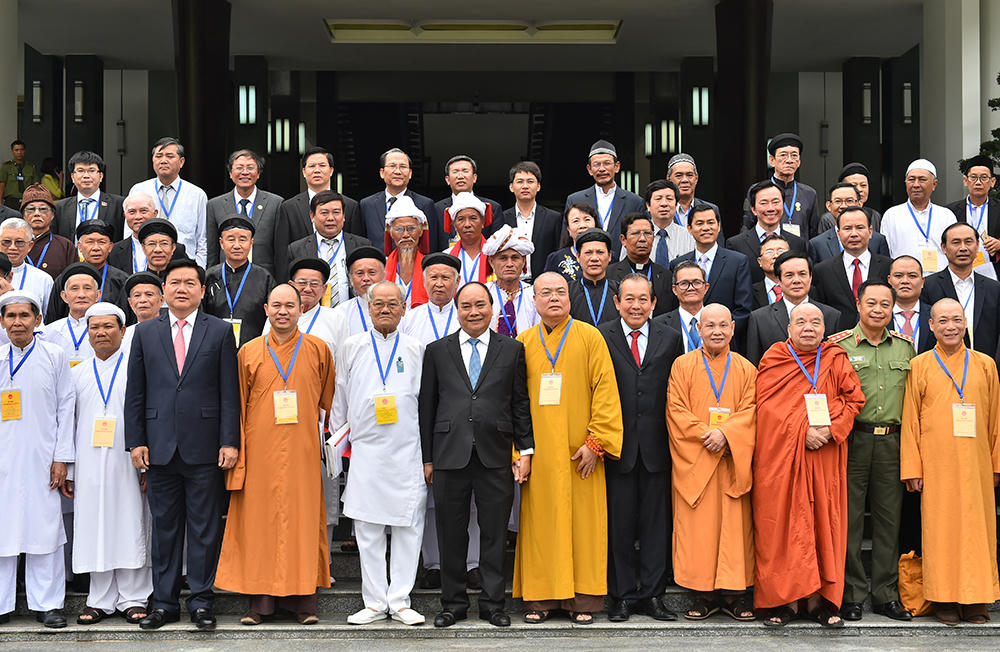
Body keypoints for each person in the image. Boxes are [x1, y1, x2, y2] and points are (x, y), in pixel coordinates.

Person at [124, 259, 240, 631]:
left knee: (204, 529)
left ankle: (202, 602)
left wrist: (229, 441)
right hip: (159, 447)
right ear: (164, 290)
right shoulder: (145, 332)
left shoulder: (220, 331)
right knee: (165, 529)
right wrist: (136, 441)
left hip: (205, 447)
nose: (182, 288)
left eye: (190, 283)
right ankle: (164, 603)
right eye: (175, 282)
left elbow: (229, 391)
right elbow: (136, 392)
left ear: (202, 291)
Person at [216, 283, 336, 626]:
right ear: (266, 310)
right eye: (277, 305)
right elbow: (237, 404)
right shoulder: (249, 351)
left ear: (301, 310)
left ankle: (303, 603)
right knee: (259, 525)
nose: (283, 312)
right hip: (260, 451)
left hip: (302, 451)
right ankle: (260, 604)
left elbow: (327, 400)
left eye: (290, 306)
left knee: (302, 522)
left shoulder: (318, 349)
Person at [419, 281, 533, 628]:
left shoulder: (511, 349)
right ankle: (453, 604)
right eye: (466, 306)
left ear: (491, 308)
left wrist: (525, 449)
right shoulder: (437, 351)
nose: (474, 312)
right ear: (457, 311)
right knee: (451, 533)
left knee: (494, 533)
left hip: (495, 453)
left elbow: (520, 403)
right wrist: (427, 458)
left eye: (480, 305)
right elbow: (427, 407)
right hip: (448, 454)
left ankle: (493, 604)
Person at [514, 272, 623, 625]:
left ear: (570, 297)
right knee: (541, 526)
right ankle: (541, 598)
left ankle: (582, 600)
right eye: (545, 292)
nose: (554, 298)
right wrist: (520, 452)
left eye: (560, 291)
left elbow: (606, 391)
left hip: (581, 454)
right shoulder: (522, 342)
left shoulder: (590, 337)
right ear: (534, 300)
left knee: (584, 526)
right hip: (540, 455)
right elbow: (513, 402)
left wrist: (596, 442)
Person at [753, 302, 866, 627]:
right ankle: (784, 602)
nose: (808, 327)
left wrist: (831, 430)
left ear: (824, 328)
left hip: (824, 457)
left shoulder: (835, 357)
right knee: (785, 526)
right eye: (800, 322)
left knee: (821, 523)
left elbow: (854, 399)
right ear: (789, 328)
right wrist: (802, 430)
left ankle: (820, 603)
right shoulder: (775, 358)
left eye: (815, 322)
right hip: (783, 460)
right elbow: (766, 408)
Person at [332, 281, 427, 626]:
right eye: (379, 304)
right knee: (367, 529)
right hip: (366, 450)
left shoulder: (417, 348)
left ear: (404, 309)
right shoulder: (352, 346)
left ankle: (400, 600)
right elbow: (340, 395)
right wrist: (339, 443)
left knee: (408, 528)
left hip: (407, 449)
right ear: (369, 309)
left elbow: (426, 400)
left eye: (392, 304)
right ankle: (373, 602)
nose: (385, 309)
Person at [901, 298, 1000, 625]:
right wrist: (913, 468)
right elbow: (910, 420)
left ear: (965, 323)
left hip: (976, 464)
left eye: (956, 320)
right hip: (936, 465)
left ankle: (975, 598)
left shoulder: (985, 364)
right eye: (942, 321)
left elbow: (996, 419)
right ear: (931, 326)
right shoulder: (919, 365)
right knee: (940, 531)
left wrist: (996, 464)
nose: (950, 327)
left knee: (977, 531)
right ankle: (942, 597)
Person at [826, 281, 914, 622]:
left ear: (893, 309)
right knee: (849, 520)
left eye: (885, 304)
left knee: (889, 521)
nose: (878, 310)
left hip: (892, 441)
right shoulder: (838, 346)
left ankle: (885, 595)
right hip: (852, 441)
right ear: (858, 305)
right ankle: (851, 594)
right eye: (872, 303)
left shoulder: (905, 347)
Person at [599, 274, 684, 622]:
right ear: (617, 302)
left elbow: (676, 389)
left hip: (657, 446)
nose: (636, 306)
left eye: (643, 299)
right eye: (629, 299)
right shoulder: (601, 335)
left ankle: (652, 595)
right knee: (618, 525)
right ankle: (620, 595)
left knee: (655, 526)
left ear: (654, 303)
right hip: (616, 447)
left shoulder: (671, 337)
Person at [666, 303, 757, 622]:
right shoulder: (682, 365)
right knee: (699, 531)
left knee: (735, 530)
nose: (717, 331)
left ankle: (735, 595)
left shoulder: (746, 369)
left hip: (732, 461)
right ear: (699, 330)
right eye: (710, 326)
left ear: (733, 328)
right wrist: (709, 436)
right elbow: (676, 411)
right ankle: (702, 595)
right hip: (697, 460)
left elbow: (752, 411)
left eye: (722, 325)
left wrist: (726, 435)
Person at [65, 302, 152, 626]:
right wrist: (70, 469)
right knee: (94, 525)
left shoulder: (136, 369)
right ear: (88, 333)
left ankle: (133, 597)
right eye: (95, 328)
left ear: (123, 331)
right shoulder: (76, 373)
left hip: (128, 460)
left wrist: (146, 465)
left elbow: (147, 416)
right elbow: (68, 423)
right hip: (88, 462)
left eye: (108, 327)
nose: (101, 333)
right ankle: (99, 599)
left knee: (131, 521)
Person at [397, 253, 472, 589]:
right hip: (423, 411)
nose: (439, 284)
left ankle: (472, 563)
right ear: (423, 281)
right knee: (428, 492)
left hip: (464, 410)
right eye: (433, 278)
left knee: (470, 493)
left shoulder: (468, 314)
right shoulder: (410, 318)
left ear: (457, 282)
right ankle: (433, 563)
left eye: (446, 278)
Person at [0, 291, 75, 628]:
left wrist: (62, 459)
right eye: (11, 316)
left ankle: (48, 605)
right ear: (2, 322)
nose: (18, 322)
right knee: (2, 530)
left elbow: (66, 406)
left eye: (24, 316)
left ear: (38, 319)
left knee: (44, 530)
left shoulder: (54, 355)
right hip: (3, 459)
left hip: (43, 458)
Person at [267, 257, 349, 555]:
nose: (308, 288)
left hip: (322, 415)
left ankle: (322, 559)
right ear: (291, 285)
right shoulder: (279, 314)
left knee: (323, 488)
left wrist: (336, 420)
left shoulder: (335, 318)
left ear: (325, 289)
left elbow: (342, 370)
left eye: (315, 284)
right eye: (302, 282)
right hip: (281, 416)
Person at [670, 206, 753, 341]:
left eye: (710, 222)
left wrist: (720, 331)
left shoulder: (737, 262)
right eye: (699, 223)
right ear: (689, 228)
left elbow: (743, 309)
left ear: (718, 226)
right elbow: (674, 305)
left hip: (724, 340)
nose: (706, 228)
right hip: (686, 337)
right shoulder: (677, 264)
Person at [921, 222, 1000, 362]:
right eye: (956, 242)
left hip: (985, 366)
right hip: (942, 366)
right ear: (944, 247)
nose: (963, 248)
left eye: (968, 242)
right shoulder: (928, 286)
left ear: (977, 246)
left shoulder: (994, 288)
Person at [746, 252, 841, 365]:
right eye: (789, 275)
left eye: (802, 274)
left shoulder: (831, 316)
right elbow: (754, 364)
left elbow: (837, 362)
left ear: (810, 277)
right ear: (779, 280)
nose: (796, 280)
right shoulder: (759, 319)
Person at [126, 137, 208, 266]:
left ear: (181, 162)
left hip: (184, 266)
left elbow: (202, 239)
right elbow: (129, 231)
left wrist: (199, 270)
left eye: (169, 156)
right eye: (158, 156)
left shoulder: (197, 195)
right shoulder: (139, 190)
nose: (163, 160)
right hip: (145, 265)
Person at [811, 206, 893, 331]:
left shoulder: (888, 267)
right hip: (838, 338)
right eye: (847, 228)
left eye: (860, 227)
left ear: (870, 231)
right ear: (838, 234)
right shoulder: (822, 270)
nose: (854, 234)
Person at [203, 216, 277, 347]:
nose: (237, 245)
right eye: (231, 239)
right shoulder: (209, 276)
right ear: (221, 243)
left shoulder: (264, 278)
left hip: (254, 348)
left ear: (251, 243)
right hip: (214, 347)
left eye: (242, 239)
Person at [286, 190, 371, 304]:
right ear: (312, 216)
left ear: (344, 216)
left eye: (336, 212)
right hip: (313, 312)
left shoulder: (362, 245)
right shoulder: (296, 249)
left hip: (353, 311)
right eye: (324, 213)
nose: (330, 218)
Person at [205, 149, 283, 273]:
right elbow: (212, 250)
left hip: (264, 276)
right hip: (226, 276)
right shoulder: (215, 205)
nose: (245, 172)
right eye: (239, 168)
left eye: (250, 168)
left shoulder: (275, 203)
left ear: (258, 173)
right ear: (230, 173)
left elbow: (280, 250)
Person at [564, 140, 644, 259]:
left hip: (622, 266)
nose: (602, 169)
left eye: (607, 163)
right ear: (589, 169)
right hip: (585, 264)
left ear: (617, 167)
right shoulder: (575, 199)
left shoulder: (634, 202)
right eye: (596, 164)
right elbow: (566, 239)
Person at [881, 159, 956, 276]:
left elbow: (954, 250)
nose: (916, 185)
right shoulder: (892, 215)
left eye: (922, 179)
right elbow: (885, 254)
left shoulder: (946, 215)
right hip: (904, 280)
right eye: (911, 179)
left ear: (934, 184)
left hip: (940, 280)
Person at [46, 219, 129, 324]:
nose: (96, 248)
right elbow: (53, 319)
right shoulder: (65, 279)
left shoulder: (122, 280)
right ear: (80, 246)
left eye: (102, 242)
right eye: (90, 242)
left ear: (110, 247)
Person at [740, 133, 820, 239]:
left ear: (799, 162)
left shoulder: (809, 193)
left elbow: (814, 233)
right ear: (772, 160)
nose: (789, 160)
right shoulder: (758, 190)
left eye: (794, 155)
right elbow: (747, 228)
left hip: (799, 248)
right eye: (783, 155)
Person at [726, 180, 807, 283]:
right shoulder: (736, 245)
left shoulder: (798, 243)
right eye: (764, 203)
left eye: (775, 202)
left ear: (783, 205)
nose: (770, 208)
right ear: (753, 209)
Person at [356, 148, 436, 251]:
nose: (398, 171)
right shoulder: (367, 204)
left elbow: (430, 245)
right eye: (392, 166)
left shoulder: (425, 204)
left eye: (403, 167)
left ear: (410, 173)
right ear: (382, 173)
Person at [500, 161, 562, 280]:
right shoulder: (502, 218)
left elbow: (558, 252)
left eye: (530, 181)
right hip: (510, 282)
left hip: (544, 282)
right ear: (511, 187)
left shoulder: (553, 218)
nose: (525, 186)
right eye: (520, 181)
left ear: (538, 186)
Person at [607, 212, 675, 316]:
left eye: (647, 233)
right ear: (623, 240)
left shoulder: (667, 276)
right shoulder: (609, 275)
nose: (642, 239)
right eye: (636, 233)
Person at [946, 155, 1000, 278]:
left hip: (994, 272)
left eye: (984, 178)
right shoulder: (950, 211)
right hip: (959, 272)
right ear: (965, 181)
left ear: (992, 182)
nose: (978, 182)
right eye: (973, 177)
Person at [433, 155, 503, 250]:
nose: (460, 176)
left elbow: (498, 245)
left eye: (465, 171)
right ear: (447, 180)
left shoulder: (492, 207)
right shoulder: (436, 209)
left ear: (474, 178)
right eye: (455, 172)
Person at [53, 151, 125, 242]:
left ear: (101, 176)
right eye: (80, 171)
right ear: (72, 177)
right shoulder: (59, 208)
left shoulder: (119, 204)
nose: (86, 176)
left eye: (91, 170)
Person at [809, 182, 890, 263]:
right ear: (829, 206)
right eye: (838, 201)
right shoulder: (817, 244)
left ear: (859, 204)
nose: (843, 206)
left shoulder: (878, 240)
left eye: (849, 200)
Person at [109, 193, 189, 275]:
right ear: (125, 216)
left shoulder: (176, 250)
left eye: (143, 211)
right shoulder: (114, 251)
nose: (138, 217)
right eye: (132, 212)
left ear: (155, 213)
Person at [484, 225, 539, 336]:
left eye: (515, 258)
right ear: (491, 262)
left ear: (523, 261)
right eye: (503, 258)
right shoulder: (483, 293)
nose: (509, 264)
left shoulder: (534, 294)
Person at [46, 262, 102, 364]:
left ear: (98, 295)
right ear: (64, 296)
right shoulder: (49, 332)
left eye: (87, 288)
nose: (81, 295)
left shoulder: (106, 331)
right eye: (74, 289)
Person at [383, 195, 430, 309]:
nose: (405, 235)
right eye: (399, 229)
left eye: (411, 228)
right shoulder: (382, 266)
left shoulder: (430, 266)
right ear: (391, 233)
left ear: (420, 231)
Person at [1, 217, 54, 317]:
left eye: (19, 242)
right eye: (6, 242)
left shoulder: (43, 279)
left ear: (30, 246)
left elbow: (49, 318)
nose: (12, 247)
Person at [22, 184, 76, 280]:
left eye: (43, 209)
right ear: (24, 215)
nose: (37, 214)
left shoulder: (65, 246)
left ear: (52, 215)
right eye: (31, 209)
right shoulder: (13, 245)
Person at [569, 228, 620, 326]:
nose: (594, 258)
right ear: (578, 256)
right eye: (588, 253)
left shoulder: (620, 291)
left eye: (600, 252)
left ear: (609, 256)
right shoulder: (567, 291)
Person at [656, 261, 708, 351]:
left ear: (706, 287)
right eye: (684, 283)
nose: (691, 288)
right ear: (674, 289)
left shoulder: (721, 322)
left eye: (697, 282)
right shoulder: (658, 325)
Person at [443, 192, 493, 285]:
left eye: (473, 218)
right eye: (461, 219)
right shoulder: (446, 256)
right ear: (455, 226)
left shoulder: (495, 254)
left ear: (483, 222)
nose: (467, 224)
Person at [888, 255, 935, 355]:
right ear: (889, 280)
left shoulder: (935, 315)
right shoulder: (878, 315)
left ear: (922, 282)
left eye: (912, 276)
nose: (905, 281)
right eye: (898, 276)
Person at [644, 179, 695, 270]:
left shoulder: (689, 236)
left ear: (676, 205)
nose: (664, 204)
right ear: (648, 205)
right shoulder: (635, 235)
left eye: (669, 199)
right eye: (658, 199)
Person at [335, 246, 386, 336]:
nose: (366, 278)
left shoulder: (399, 310)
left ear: (384, 276)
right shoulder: (340, 313)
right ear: (351, 279)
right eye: (360, 273)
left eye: (372, 272)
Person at [667, 153, 723, 232]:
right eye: (679, 175)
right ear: (669, 179)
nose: (685, 180)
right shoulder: (660, 210)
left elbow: (717, 239)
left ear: (696, 179)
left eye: (689, 175)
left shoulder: (711, 209)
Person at [543, 203, 598, 282]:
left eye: (587, 219)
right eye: (576, 221)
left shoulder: (609, 256)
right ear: (568, 229)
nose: (582, 225)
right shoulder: (556, 258)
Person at [122, 272, 163, 350]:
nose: (143, 300)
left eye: (149, 294)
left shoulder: (172, 332)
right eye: (137, 295)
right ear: (130, 302)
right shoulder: (124, 336)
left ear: (161, 300)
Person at [753, 235, 790, 309]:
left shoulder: (803, 288)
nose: (776, 255)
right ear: (760, 261)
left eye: (781, 251)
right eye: (769, 252)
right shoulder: (750, 292)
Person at [0, 139, 38, 210]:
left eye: (21, 150)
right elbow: (2, 185)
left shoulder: (30, 167)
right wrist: (0, 203)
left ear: (25, 151)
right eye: (16, 150)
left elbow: (35, 185)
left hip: (27, 200)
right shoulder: (6, 166)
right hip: (11, 201)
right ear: (12, 151)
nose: (19, 152)